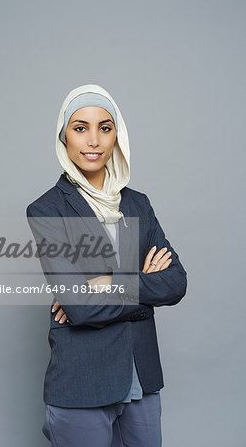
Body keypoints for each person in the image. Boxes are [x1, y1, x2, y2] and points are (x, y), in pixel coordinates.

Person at [26, 84, 187, 446]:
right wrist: (142, 284)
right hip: (83, 380)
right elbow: (80, 308)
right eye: (80, 128)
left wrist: (108, 282)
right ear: (64, 136)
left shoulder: (137, 204)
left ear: (118, 135)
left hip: (141, 379)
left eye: (105, 127)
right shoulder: (49, 209)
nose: (93, 141)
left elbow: (177, 283)